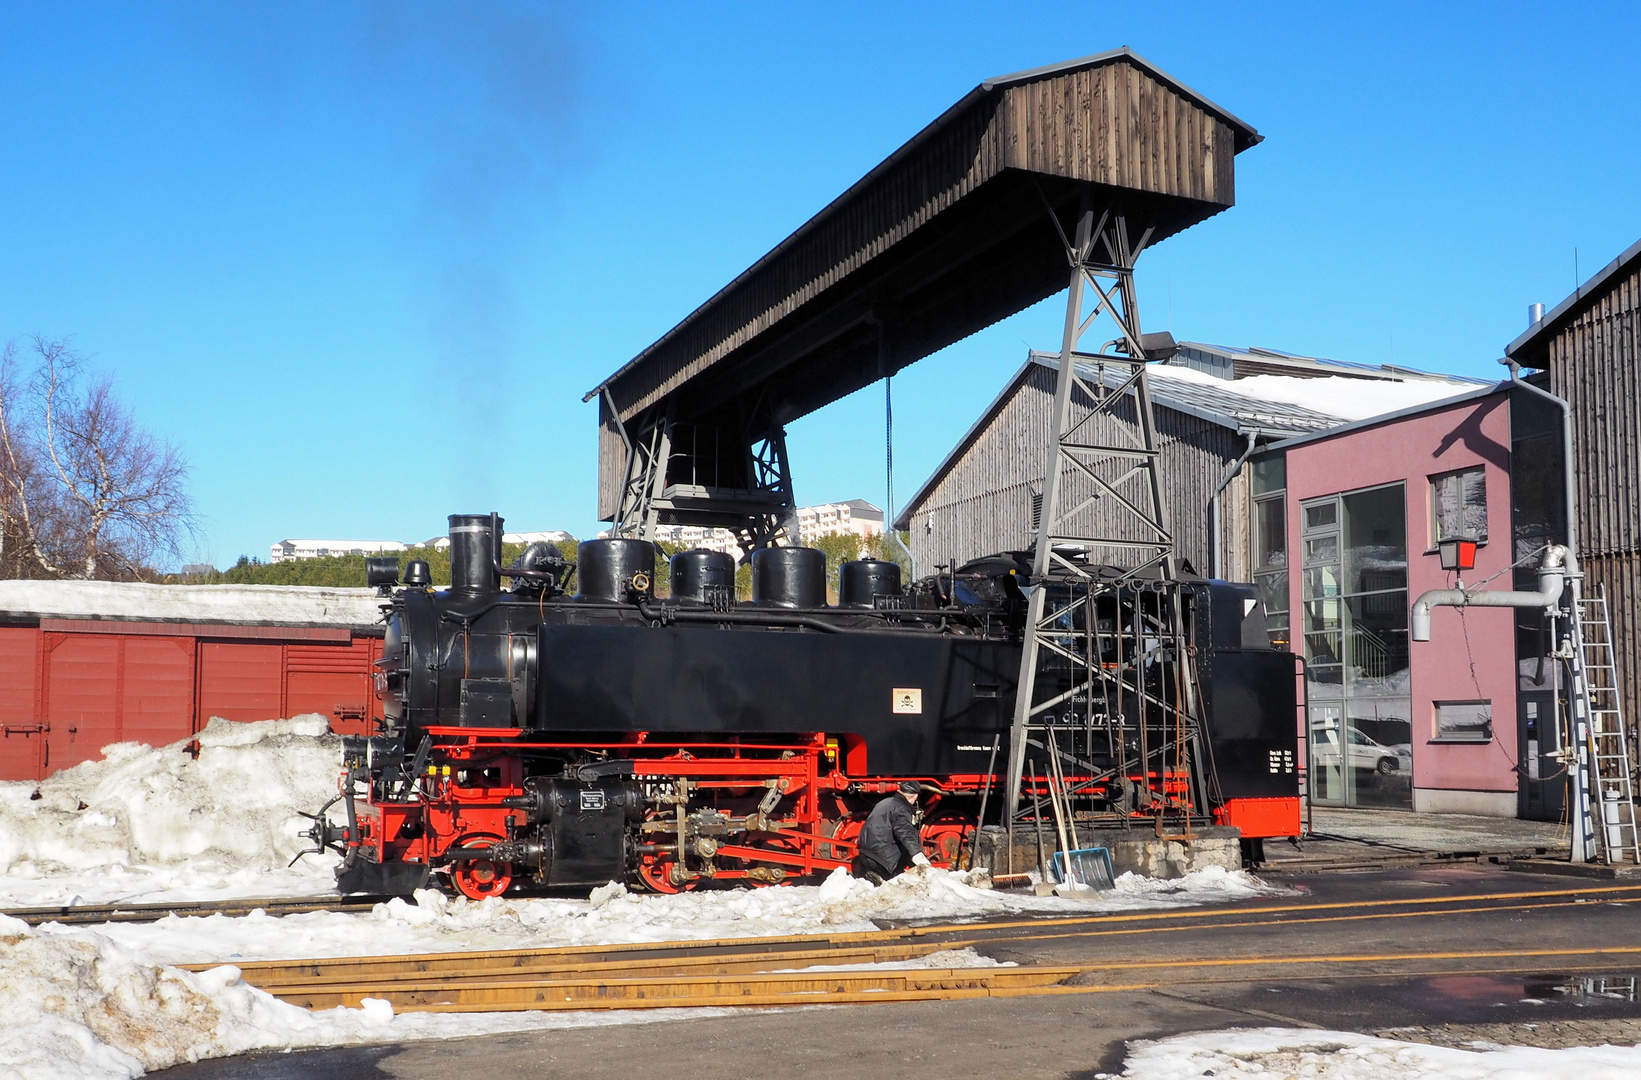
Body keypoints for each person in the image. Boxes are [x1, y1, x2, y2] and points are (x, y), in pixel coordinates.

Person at [852, 780, 932, 884]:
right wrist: (918, 855)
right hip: (881, 860)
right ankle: (892, 876)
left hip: (865, 855)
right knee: (909, 840)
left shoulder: (885, 802)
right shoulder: (901, 809)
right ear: (915, 796)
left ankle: (874, 873)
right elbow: (906, 834)